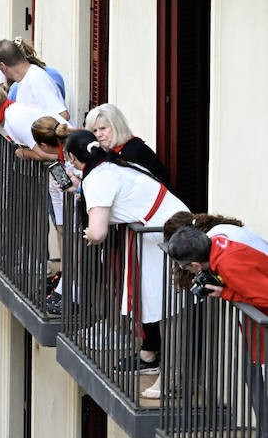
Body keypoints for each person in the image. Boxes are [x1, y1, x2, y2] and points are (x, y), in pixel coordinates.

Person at [64, 129, 188, 371]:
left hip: (162, 237)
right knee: (166, 307)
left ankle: (171, 378)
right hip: (166, 231)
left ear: (71, 158)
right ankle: (167, 371)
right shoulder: (111, 165)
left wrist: (88, 233)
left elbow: (97, 232)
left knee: (167, 309)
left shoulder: (98, 178)